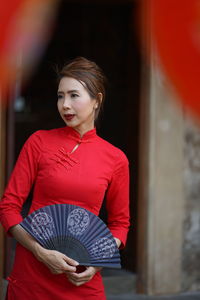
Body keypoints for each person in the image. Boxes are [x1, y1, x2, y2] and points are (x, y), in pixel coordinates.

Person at [0, 57, 130, 300]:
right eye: (60, 96)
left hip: (82, 279)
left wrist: (97, 263)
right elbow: (8, 208)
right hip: (32, 276)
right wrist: (40, 252)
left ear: (97, 100)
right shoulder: (38, 142)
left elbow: (120, 224)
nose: (65, 105)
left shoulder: (116, 158)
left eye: (73, 95)